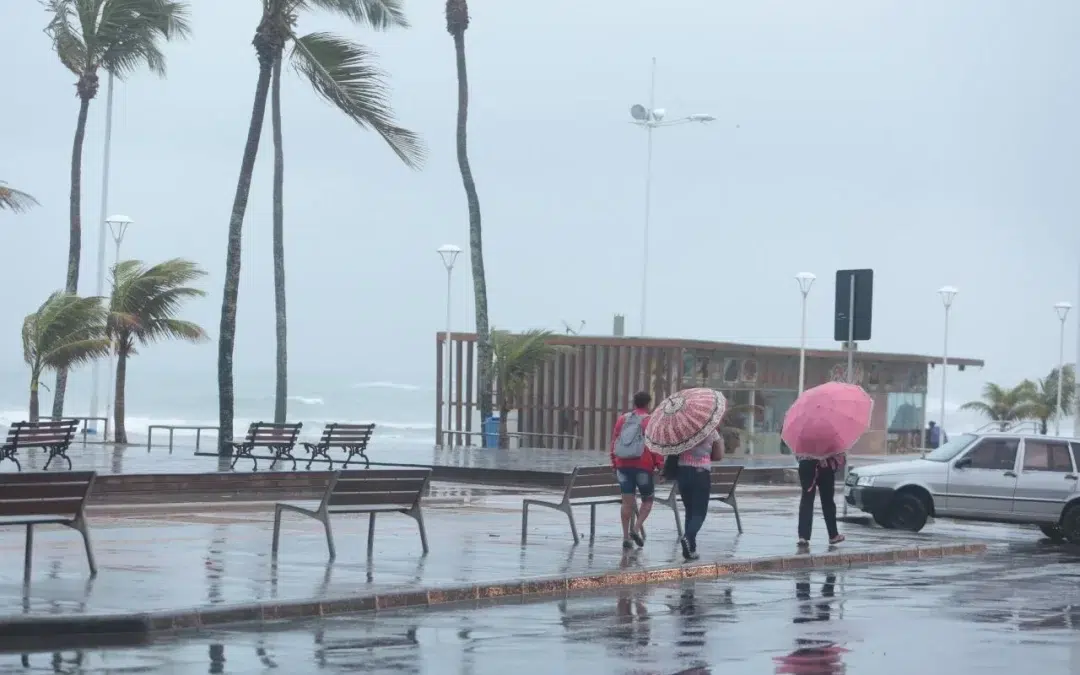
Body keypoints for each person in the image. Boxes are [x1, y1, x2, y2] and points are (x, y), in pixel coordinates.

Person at [610, 391, 664, 550]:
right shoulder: (650, 421)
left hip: (623, 466)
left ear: (634, 403)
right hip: (643, 466)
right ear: (648, 404)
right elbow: (655, 446)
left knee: (627, 502)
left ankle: (626, 537)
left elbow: (614, 442)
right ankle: (636, 529)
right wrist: (660, 465)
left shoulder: (622, 419)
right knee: (647, 500)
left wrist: (614, 463)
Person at [676, 427, 724, 561]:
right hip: (700, 474)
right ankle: (688, 537)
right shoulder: (711, 431)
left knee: (689, 511)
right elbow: (719, 456)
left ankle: (691, 549)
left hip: (683, 472)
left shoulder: (682, 431)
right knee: (699, 513)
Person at [796, 453, 845, 547]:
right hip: (825, 466)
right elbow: (836, 451)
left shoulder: (802, 438)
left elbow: (797, 453)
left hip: (806, 465)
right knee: (828, 501)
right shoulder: (828, 438)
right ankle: (833, 535)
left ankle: (803, 536)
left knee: (806, 500)